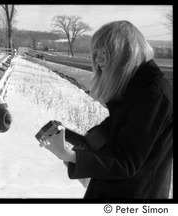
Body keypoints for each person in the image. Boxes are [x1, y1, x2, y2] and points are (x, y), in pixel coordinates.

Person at [39, 20, 173, 199]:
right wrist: (65, 136)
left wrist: (70, 155)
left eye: (105, 52)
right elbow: (103, 145)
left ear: (127, 53)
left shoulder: (153, 96)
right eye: (96, 52)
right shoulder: (134, 92)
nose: (98, 59)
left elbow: (125, 163)